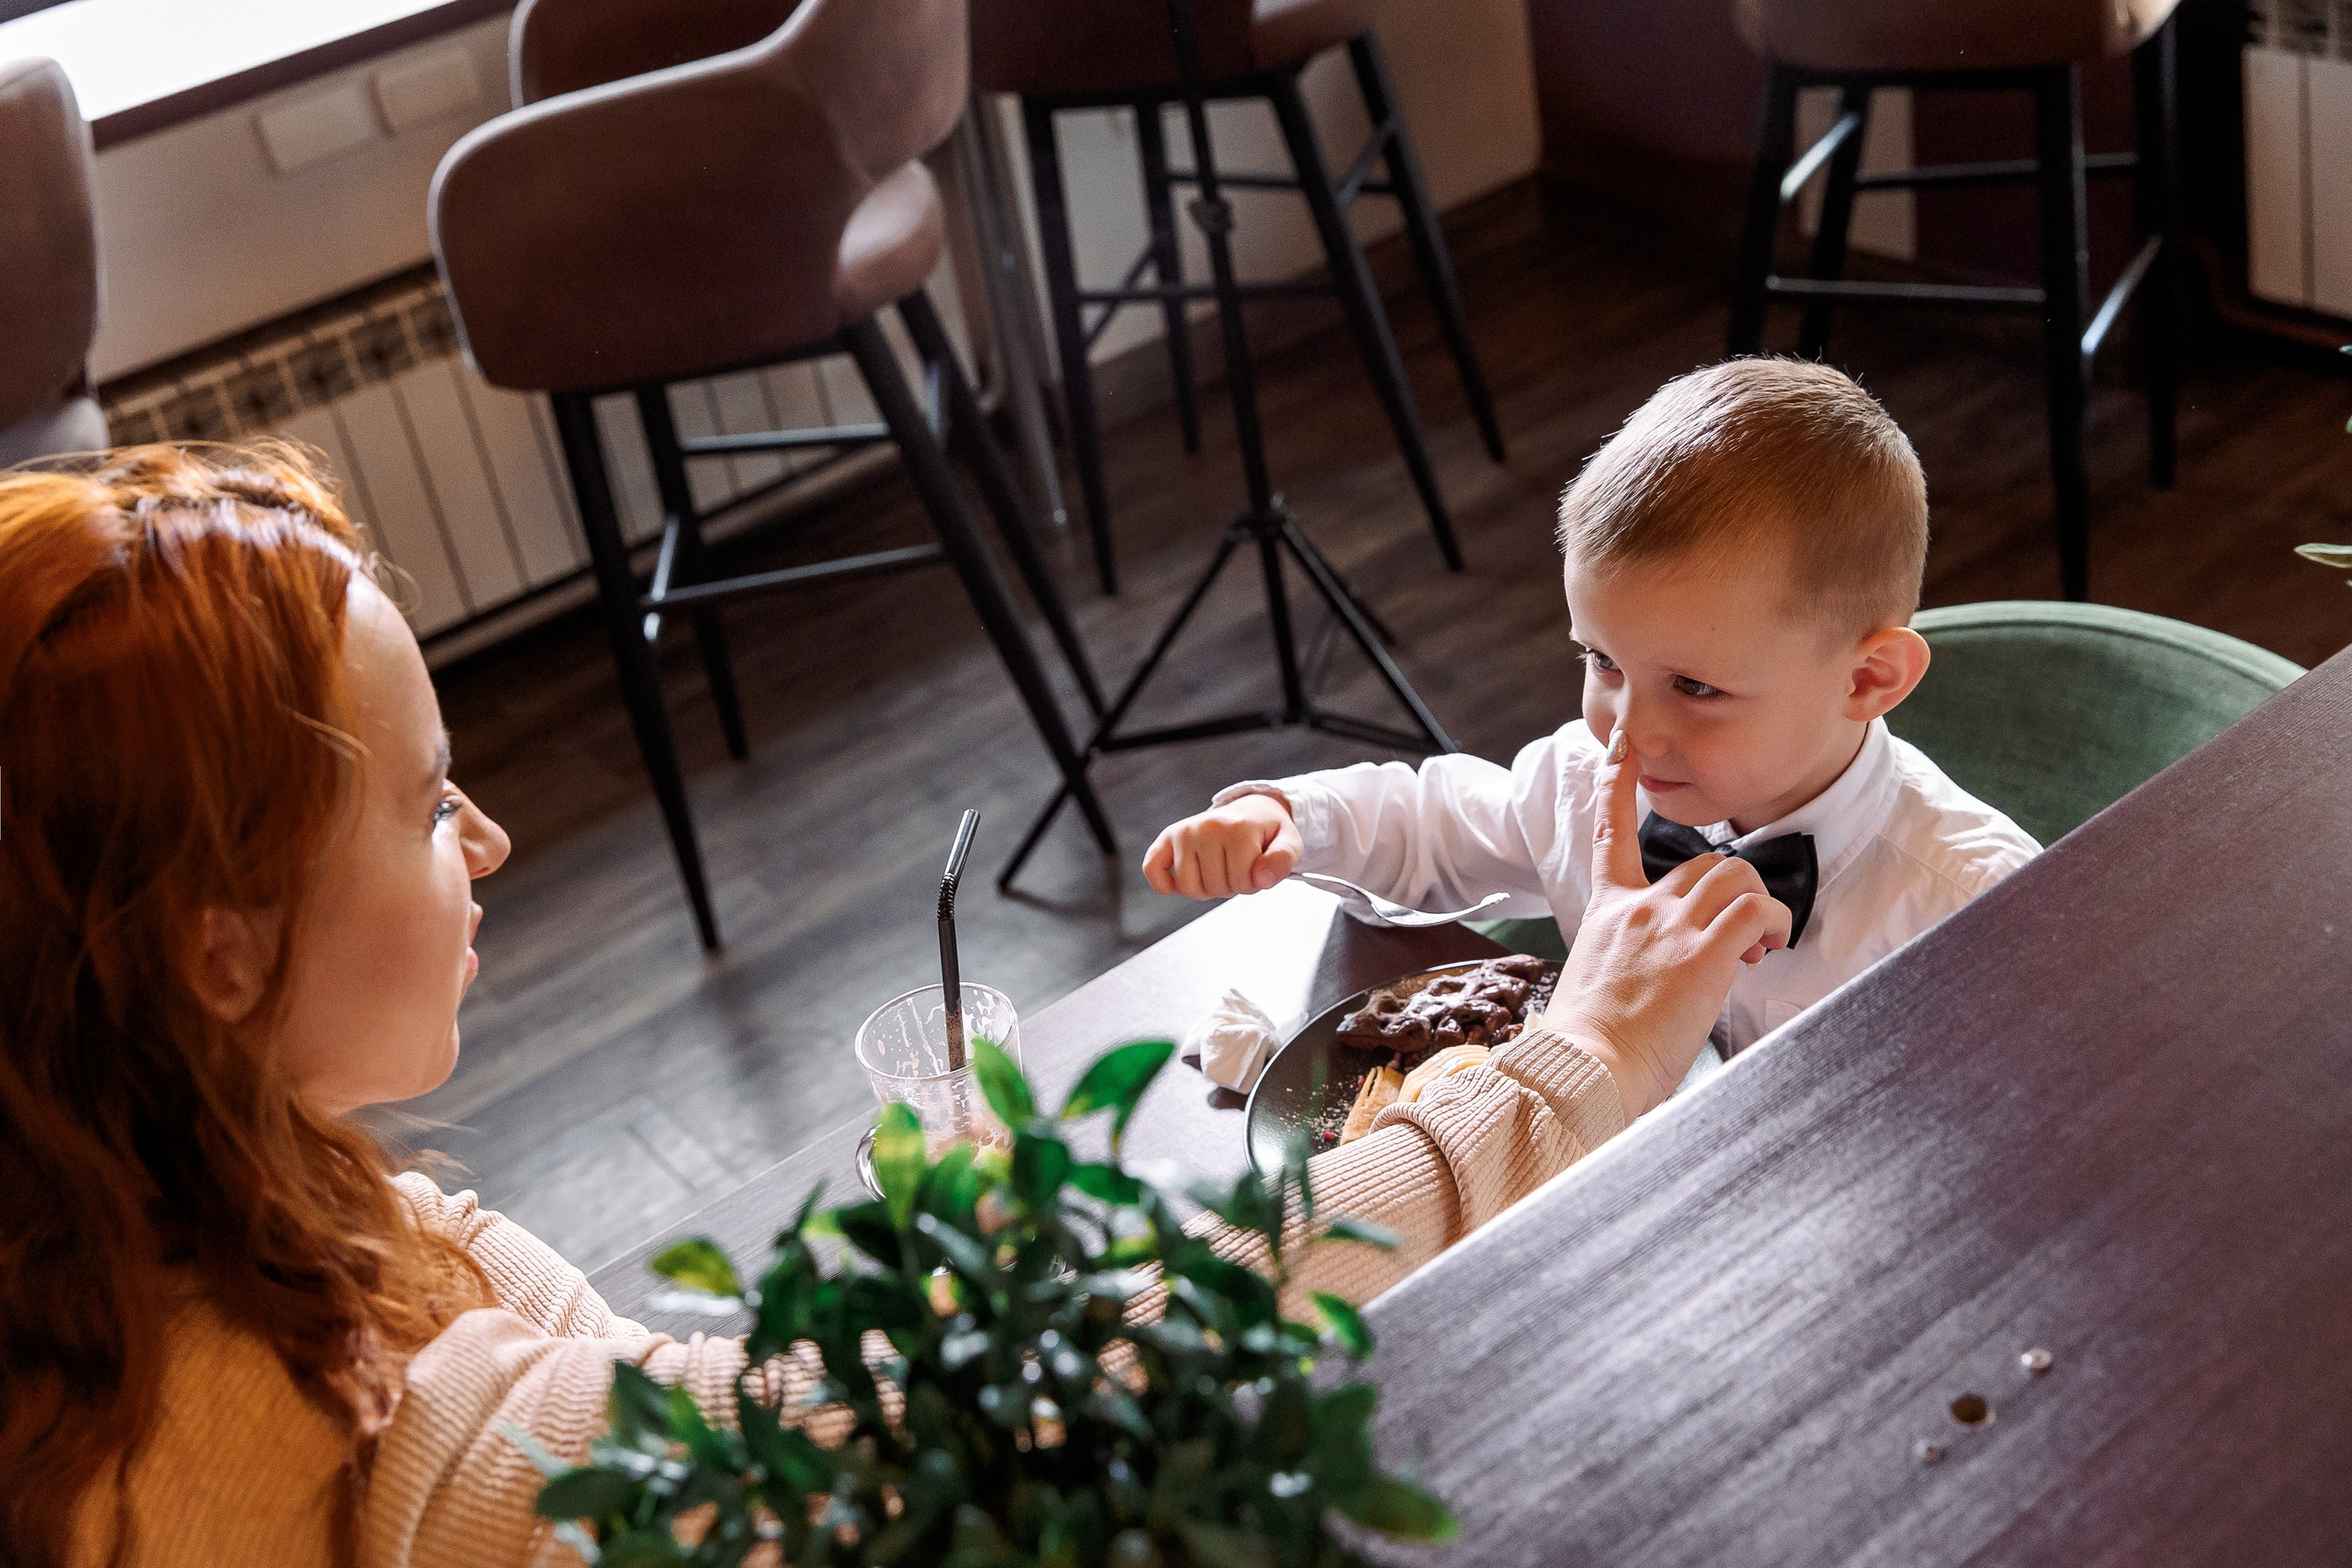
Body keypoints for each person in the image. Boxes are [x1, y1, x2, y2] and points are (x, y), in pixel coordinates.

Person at [0, 444, 1776, 1566]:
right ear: (216, 949)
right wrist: (1562, 1065)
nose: (490, 832)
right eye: (421, 799)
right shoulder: (347, 1453)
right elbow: (997, 1411)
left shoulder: (235, 1211)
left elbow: (674, 1384)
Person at [1145, 358, 2041, 1060]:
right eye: (1601, 661)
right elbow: (1428, 827)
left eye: (1695, 688)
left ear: (1866, 681)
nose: (1626, 728)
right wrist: (1286, 818)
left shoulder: (1983, 912)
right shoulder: (1594, 785)